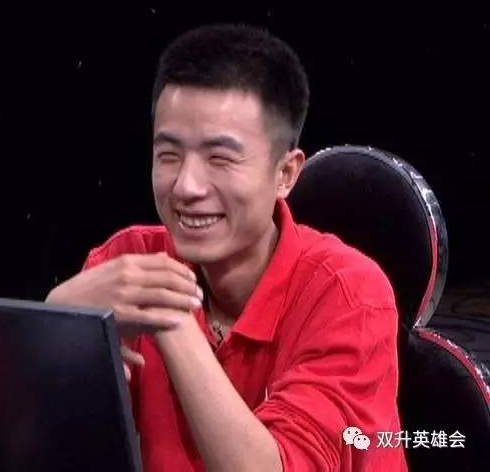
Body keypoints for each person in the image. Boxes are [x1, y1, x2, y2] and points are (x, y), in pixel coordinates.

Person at [46, 23, 408, 471]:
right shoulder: (129, 258)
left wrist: (170, 315)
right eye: (168, 155)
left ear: (285, 174)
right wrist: (55, 321)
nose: (187, 186)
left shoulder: (350, 294)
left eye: (220, 158)